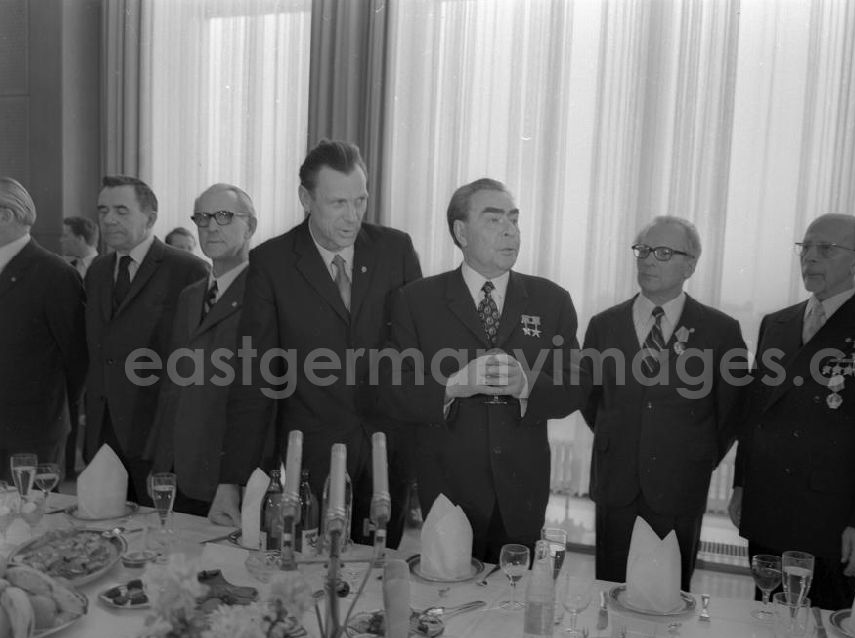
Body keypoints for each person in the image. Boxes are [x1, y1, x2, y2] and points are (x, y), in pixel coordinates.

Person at [213, 140, 422, 546]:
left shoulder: (395, 250)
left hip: (387, 452)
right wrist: (232, 479)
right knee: (311, 576)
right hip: (310, 459)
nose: (352, 216)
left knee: (378, 574)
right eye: (338, 203)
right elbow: (254, 379)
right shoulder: (272, 263)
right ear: (306, 199)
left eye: (360, 201)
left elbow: (415, 357)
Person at [378, 178, 584, 562]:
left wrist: (527, 386)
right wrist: (453, 384)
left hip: (521, 493)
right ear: (461, 232)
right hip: (447, 492)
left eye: (514, 219)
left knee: (511, 608)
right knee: (449, 604)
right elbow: (394, 389)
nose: (510, 231)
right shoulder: (416, 301)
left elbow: (575, 383)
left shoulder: (552, 300)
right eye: (493, 220)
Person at [730, 213, 855, 611]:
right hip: (768, 506)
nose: (810, 258)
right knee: (766, 620)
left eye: (826, 249)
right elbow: (755, 415)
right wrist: (742, 485)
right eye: (806, 247)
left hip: (831, 519)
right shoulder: (776, 324)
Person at [581, 216, 748, 590]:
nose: (648, 261)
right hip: (616, 484)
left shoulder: (721, 331)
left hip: (679, 484)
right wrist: (628, 437)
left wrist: (693, 453)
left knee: (668, 598)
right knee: (611, 590)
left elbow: (731, 412)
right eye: (642, 251)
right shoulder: (603, 325)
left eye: (663, 252)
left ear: (690, 265)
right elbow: (591, 401)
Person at [84, 175, 208, 504]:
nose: (109, 219)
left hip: (156, 436)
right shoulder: (97, 270)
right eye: (103, 210)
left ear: (150, 218)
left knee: (160, 537)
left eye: (121, 210)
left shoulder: (188, 270)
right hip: (103, 433)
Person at [145, 184, 257, 516]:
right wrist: (161, 463)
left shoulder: (266, 295)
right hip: (178, 469)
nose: (210, 226)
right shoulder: (191, 296)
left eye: (224, 216)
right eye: (203, 217)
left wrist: (234, 479)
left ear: (249, 226)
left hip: (227, 476)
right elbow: (172, 387)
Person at [0, 179, 88, 483]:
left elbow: (77, 358)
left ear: (6, 215)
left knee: (31, 521)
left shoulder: (55, 274)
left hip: (32, 433)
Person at [59, 215, 99, 479]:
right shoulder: (63, 270)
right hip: (72, 354)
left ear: (80, 238)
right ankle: (71, 467)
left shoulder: (105, 268)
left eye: (66, 235)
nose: (61, 240)